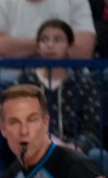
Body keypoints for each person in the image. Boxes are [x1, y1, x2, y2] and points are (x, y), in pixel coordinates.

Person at [18, 19, 105, 169]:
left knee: (98, 156)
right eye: (44, 40)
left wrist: (75, 147)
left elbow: (91, 128)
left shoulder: (83, 83)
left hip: (75, 149)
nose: (50, 45)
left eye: (58, 40)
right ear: (38, 47)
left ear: (69, 47)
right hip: (35, 146)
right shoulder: (26, 80)